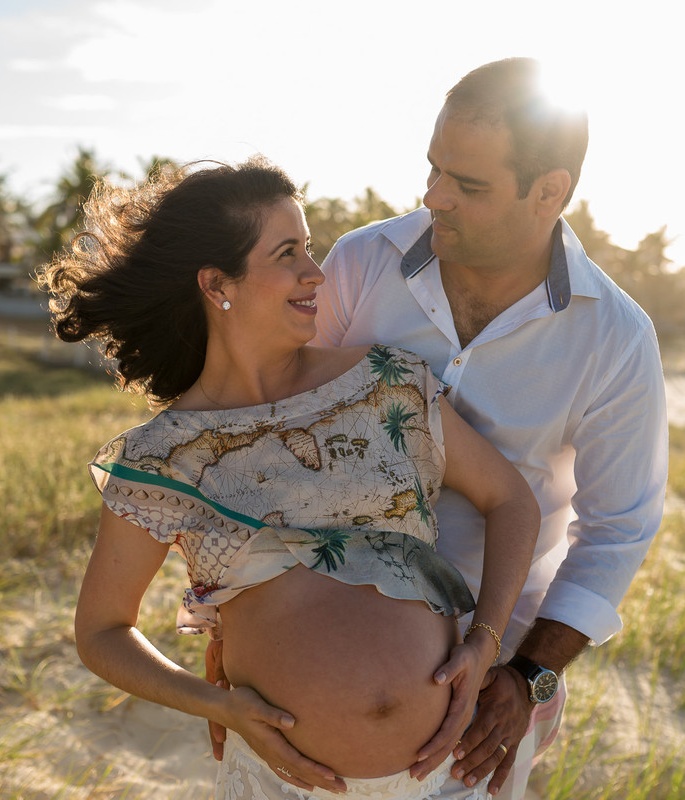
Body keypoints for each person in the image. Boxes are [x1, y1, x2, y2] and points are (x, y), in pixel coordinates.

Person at [39, 157, 540, 799]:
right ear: (218, 283)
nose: (316, 273)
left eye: (309, 248)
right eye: (288, 254)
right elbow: (102, 632)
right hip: (278, 785)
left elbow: (512, 500)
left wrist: (484, 645)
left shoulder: (386, 381)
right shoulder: (167, 456)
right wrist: (215, 706)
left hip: (445, 773)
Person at [311, 58, 669, 797]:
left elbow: (618, 531)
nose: (433, 197)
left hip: (485, 674)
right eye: (434, 169)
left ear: (550, 192)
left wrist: (529, 677)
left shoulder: (617, 339)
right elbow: (284, 430)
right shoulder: (359, 264)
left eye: (468, 186)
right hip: (319, 625)